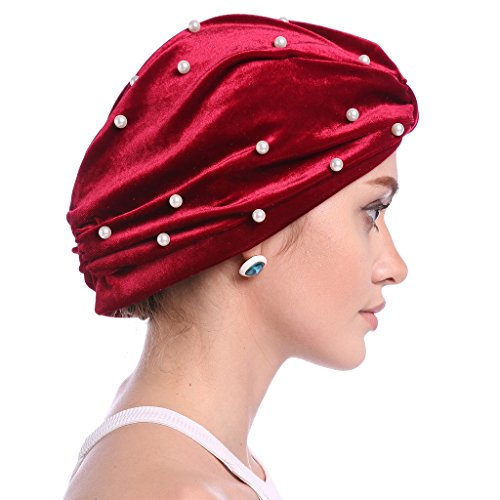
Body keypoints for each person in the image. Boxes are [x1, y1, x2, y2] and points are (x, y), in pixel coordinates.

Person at [64, 13, 419, 500]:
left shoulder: (184, 455)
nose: (394, 267)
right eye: (371, 212)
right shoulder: (178, 492)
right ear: (255, 220)